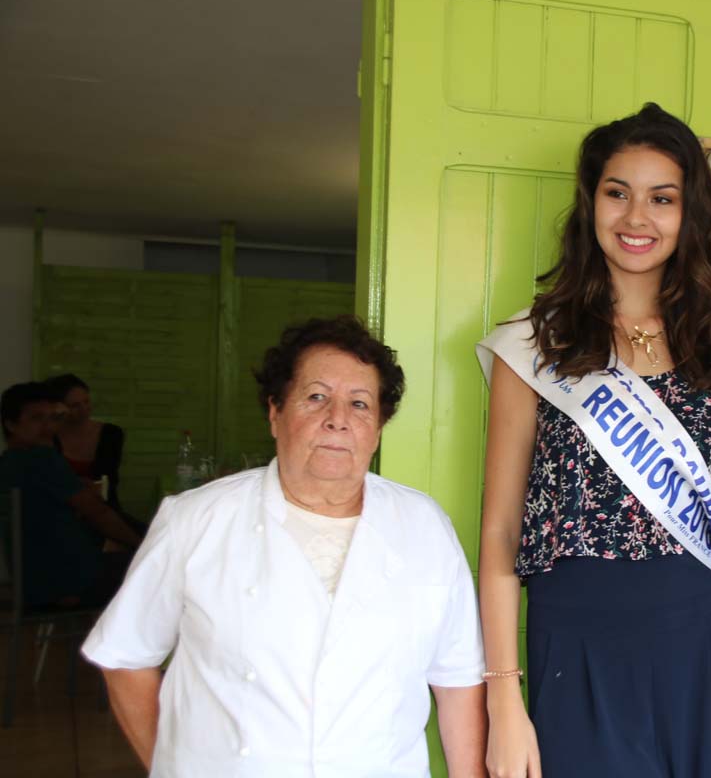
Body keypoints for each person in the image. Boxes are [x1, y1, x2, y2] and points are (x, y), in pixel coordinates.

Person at [477, 102, 711, 778]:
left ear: (688, 213)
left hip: (704, 643)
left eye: (661, 199)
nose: (637, 218)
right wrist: (503, 697)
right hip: (578, 644)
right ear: (591, 203)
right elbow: (499, 532)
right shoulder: (535, 343)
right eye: (618, 193)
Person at [82, 316, 487, 777]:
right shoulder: (196, 519)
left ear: (377, 429)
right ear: (275, 412)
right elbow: (125, 656)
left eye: (359, 404)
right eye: (316, 397)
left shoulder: (423, 527)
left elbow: (456, 679)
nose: (338, 419)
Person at [0, 382, 141, 608]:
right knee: (159, 566)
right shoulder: (40, 458)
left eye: (51, 418)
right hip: (68, 582)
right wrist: (143, 545)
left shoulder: (10, 461)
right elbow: (98, 513)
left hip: (34, 579)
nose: (48, 426)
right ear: (11, 425)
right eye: (37, 418)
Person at [46, 373, 126, 514]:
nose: (84, 409)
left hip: (102, 510)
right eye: (74, 406)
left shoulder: (110, 434)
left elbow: (109, 482)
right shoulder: (49, 437)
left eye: (86, 401)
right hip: (60, 512)